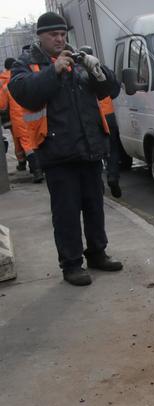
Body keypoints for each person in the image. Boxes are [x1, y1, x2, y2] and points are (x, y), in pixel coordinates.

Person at [9, 12, 123, 286]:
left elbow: (111, 90)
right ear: (40, 36)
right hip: (57, 153)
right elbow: (25, 94)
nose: (60, 39)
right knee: (66, 213)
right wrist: (54, 70)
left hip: (89, 148)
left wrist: (99, 71)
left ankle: (97, 253)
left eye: (62, 34)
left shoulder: (79, 60)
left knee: (94, 206)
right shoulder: (26, 65)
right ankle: (71, 265)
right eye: (53, 35)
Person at [79, 45, 122, 197]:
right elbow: (115, 90)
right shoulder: (100, 70)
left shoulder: (79, 74)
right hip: (108, 116)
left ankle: (100, 183)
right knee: (113, 149)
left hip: (95, 118)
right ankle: (113, 176)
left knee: (97, 151)